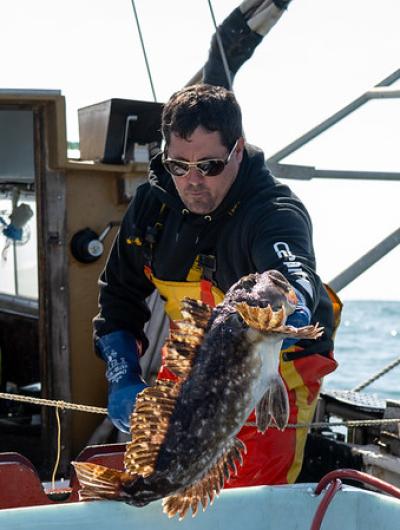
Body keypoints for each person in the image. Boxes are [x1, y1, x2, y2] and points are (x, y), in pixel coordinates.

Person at [93, 83, 339, 487]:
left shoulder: (274, 212)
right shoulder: (150, 207)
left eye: (208, 166)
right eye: (177, 166)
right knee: (156, 483)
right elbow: (118, 295)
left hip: (276, 369)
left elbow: (296, 276)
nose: (192, 181)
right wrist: (122, 375)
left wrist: (289, 309)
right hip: (195, 362)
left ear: (237, 150)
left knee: (251, 501)